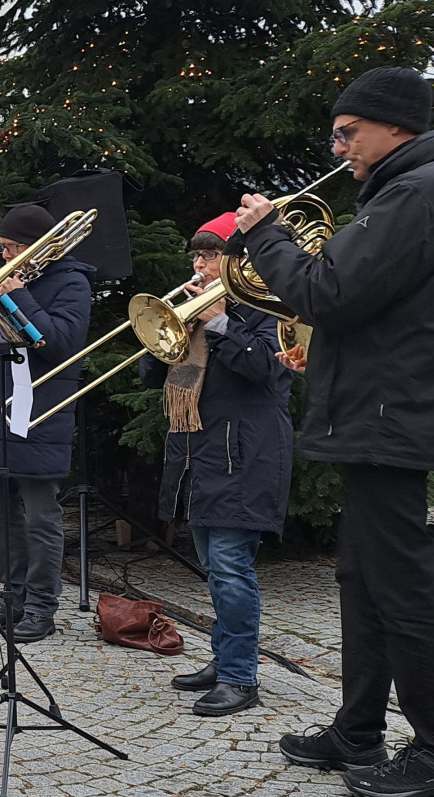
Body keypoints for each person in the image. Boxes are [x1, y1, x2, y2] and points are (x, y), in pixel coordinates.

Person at [238, 66, 434, 797]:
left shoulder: (419, 192)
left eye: (349, 132)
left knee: (401, 586)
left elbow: (328, 293)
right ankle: (359, 727)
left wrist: (265, 236)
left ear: (395, 128)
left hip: (394, 418)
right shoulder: (420, 190)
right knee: (364, 578)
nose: (340, 146)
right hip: (390, 412)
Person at [136, 213, 291, 718]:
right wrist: (169, 328)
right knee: (212, 568)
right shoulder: (197, 309)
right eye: (195, 256)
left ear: (238, 261)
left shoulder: (272, 307)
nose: (198, 265)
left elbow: (265, 370)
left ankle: (241, 676)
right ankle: (224, 660)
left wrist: (221, 319)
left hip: (245, 452)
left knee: (229, 568)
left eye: (208, 255)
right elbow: (148, 374)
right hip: (199, 451)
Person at [0, 204, 93, 644]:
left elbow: (59, 344)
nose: (4, 257)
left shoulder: (72, 282)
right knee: (0, 516)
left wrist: (18, 297)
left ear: (36, 245)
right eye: (2, 248)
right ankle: (13, 597)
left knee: (40, 516)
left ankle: (41, 605)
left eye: (11, 247)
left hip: (42, 410)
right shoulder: (6, 282)